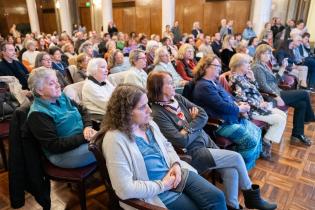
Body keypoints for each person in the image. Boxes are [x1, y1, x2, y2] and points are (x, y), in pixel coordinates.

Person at [148, 71, 278, 210]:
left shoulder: (178, 98)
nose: (174, 85)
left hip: (206, 141)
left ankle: (232, 206)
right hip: (193, 152)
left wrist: (188, 127)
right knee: (236, 157)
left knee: (230, 170)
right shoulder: (158, 113)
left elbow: (203, 114)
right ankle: (252, 196)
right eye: (169, 83)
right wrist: (193, 122)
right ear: (158, 87)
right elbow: (181, 141)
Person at [101, 83, 227, 210]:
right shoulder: (115, 140)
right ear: (126, 112)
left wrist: (176, 164)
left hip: (175, 174)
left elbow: (167, 146)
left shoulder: (148, 123)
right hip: (156, 192)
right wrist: (163, 185)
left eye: (147, 104)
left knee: (217, 197)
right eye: (142, 107)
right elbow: (124, 190)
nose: (149, 110)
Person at [192, 54, 262, 170]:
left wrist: (239, 104)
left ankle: (245, 164)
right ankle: (240, 169)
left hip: (231, 118)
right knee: (250, 142)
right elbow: (221, 106)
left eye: (220, 66)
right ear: (206, 67)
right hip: (220, 124)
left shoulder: (213, 82)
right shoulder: (203, 86)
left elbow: (229, 97)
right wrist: (240, 109)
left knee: (257, 131)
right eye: (216, 66)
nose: (220, 68)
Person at [27, 67, 96, 168]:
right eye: (51, 83)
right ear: (39, 90)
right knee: (108, 146)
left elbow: (83, 110)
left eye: (57, 81)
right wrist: (85, 137)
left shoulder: (61, 96)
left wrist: (88, 127)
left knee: (113, 139)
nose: (58, 85)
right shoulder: (37, 114)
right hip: (63, 154)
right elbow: (55, 146)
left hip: (83, 141)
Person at [252, 44, 315, 146]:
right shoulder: (256, 67)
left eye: (269, 53)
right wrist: (276, 97)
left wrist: (282, 67)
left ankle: (297, 134)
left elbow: (275, 81)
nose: (269, 55)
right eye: (267, 53)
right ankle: (310, 117)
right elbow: (263, 86)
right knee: (304, 93)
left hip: (278, 91)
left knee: (302, 104)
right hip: (272, 96)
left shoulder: (264, 66)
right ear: (260, 54)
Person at [228, 53, 287, 159]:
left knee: (283, 115)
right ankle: (265, 142)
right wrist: (259, 104)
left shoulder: (243, 76)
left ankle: (265, 139)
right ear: (239, 65)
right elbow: (240, 99)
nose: (249, 65)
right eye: (247, 63)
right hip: (251, 110)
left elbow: (255, 91)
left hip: (259, 106)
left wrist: (253, 79)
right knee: (279, 120)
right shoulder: (235, 78)